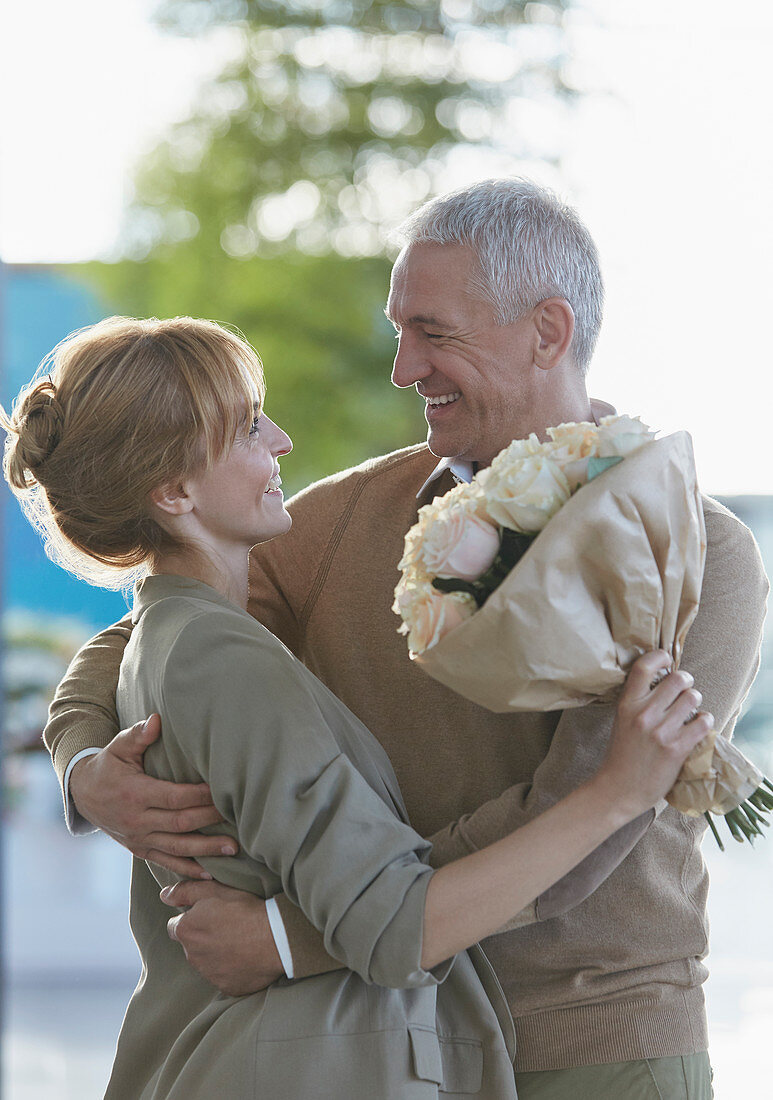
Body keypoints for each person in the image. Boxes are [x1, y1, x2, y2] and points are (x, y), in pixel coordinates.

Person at [43, 181, 768, 1099]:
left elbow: (592, 811)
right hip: (392, 1039)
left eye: (433, 332)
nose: (402, 368)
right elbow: (161, 617)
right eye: (398, 331)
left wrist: (293, 938)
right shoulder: (350, 516)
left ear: (546, 332)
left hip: (589, 1044)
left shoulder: (700, 557)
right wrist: (83, 769)